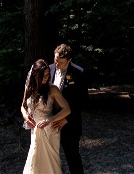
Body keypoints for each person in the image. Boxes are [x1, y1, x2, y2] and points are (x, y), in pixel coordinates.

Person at [21, 59, 71, 174]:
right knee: (35, 158)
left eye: (47, 75)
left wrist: (50, 119)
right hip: (35, 129)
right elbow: (22, 106)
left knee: (51, 162)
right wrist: (26, 117)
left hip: (50, 129)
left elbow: (67, 109)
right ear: (35, 75)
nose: (45, 77)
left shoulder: (52, 89)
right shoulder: (29, 88)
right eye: (42, 75)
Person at [49, 44, 88, 174]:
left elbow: (82, 101)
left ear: (69, 60)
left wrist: (67, 119)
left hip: (70, 124)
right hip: (51, 121)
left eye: (60, 61)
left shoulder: (79, 73)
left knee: (72, 157)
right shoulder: (48, 70)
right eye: (55, 60)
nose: (57, 63)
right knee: (50, 157)